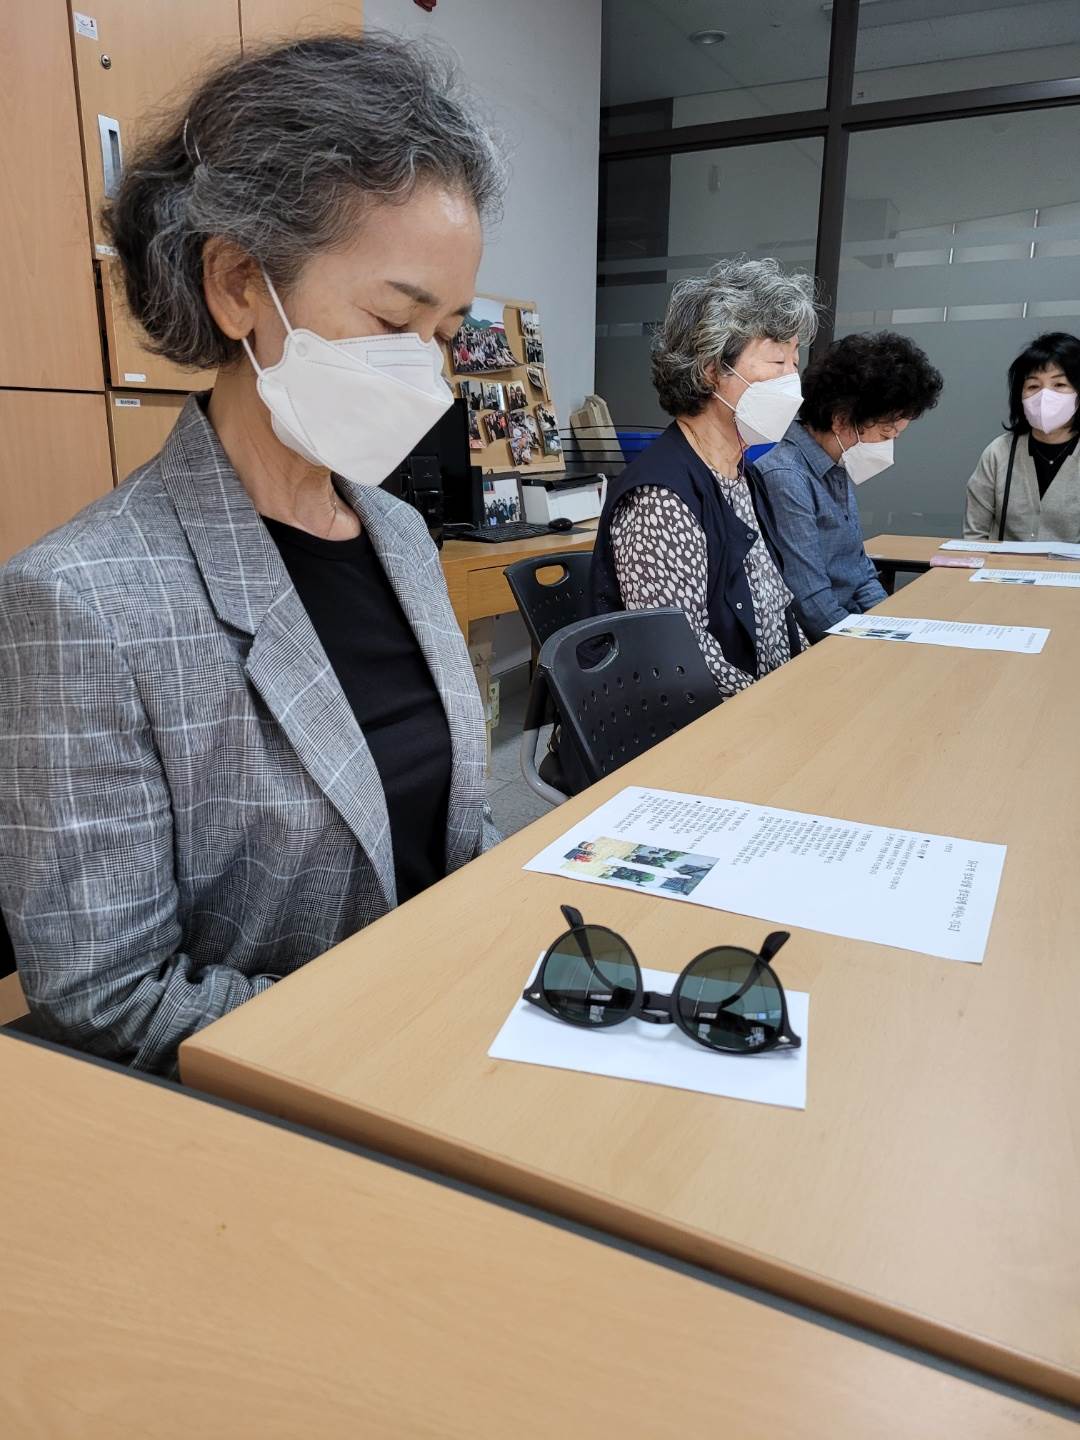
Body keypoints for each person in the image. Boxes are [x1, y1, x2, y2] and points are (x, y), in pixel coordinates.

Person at [0, 34, 505, 1074]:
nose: (426, 371)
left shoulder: (399, 535)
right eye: (393, 318)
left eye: (446, 331)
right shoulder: (82, 601)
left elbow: (452, 827)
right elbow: (106, 994)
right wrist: (395, 1028)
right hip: (300, 1094)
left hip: (465, 1030)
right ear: (237, 285)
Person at [591, 257, 817, 695]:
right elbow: (681, 664)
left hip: (768, 705)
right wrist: (783, 710)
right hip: (705, 724)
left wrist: (814, 681)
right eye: (777, 361)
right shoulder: (659, 501)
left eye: (795, 361)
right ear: (711, 370)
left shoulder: (741, 475)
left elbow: (778, 612)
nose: (792, 380)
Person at [752, 332, 943, 641]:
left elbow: (860, 573)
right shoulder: (786, 476)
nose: (888, 445)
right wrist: (872, 644)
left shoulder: (836, 462)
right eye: (885, 434)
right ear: (841, 420)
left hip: (848, 628)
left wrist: (894, 628)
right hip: (820, 641)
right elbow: (812, 604)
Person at [964, 332, 1080, 542]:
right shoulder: (999, 452)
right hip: (1001, 564)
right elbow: (975, 536)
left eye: (1059, 385)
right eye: (1033, 386)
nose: (1044, 396)